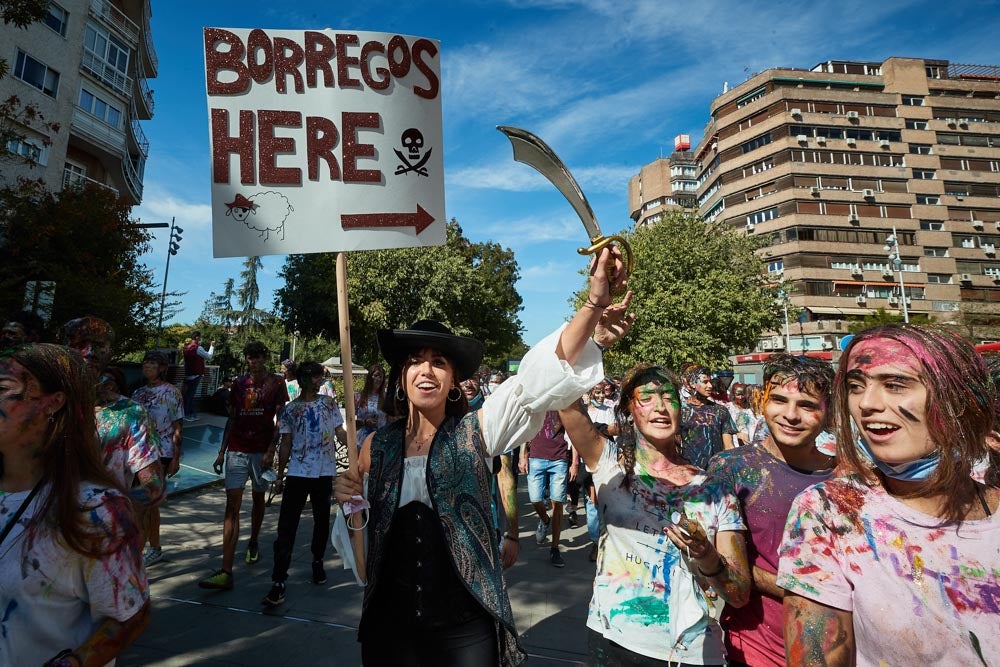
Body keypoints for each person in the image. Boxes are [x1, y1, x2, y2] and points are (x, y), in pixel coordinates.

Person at [334, 246, 628, 665]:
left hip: (464, 629)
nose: (426, 370)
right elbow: (360, 555)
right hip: (389, 628)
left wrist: (594, 302)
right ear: (403, 377)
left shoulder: (479, 430)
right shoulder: (374, 446)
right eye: (415, 361)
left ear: (454, 379)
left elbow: (536, 380)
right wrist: (347, 500)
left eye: (438, 362)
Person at [778, 324, 1000, 666]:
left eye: (895, 385)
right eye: (855, 386)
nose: (867, 403)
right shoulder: (830, 513)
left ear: (959, 398)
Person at [559, 355, 751, 663]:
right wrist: (596, 340)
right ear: (629, 410)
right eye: (646, 398)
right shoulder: (609, 466)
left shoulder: (714, 490)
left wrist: (706, 554)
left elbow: (739, 594)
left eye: (668, 398)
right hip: (612, 641)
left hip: (690, 652)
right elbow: (562, 392)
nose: (660, 407)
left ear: (680, 409)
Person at [0, 344, 149, 665]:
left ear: (53, 403)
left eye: (3, 390)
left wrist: (75, 662)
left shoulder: (96, 510)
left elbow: (130, 615)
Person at [706, 355, 836, 667]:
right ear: (764, 401)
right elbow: (725, 567)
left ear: (828, 411)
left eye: (806, 405)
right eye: (779, 400)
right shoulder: (731, 468)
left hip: (834, 650)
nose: (790, 415)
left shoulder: (847, 479)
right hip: (754, 649)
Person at [200, 340, 289, 591]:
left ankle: (253, 540)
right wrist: (221, 451)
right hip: (237, 449)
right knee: (232, 506)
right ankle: (226, 569)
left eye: (258, 356)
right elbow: (232, 417)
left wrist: (272, 449)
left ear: (265, 358)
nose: (254, 361)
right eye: (250, 357)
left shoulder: (276, 383)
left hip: (261, 450)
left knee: (258, 498)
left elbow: (281, 419)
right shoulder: (239, 384)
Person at [262, 361, 348, 607]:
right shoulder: (291, 410)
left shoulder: (328, 404)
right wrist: (280, 475)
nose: (320, 380)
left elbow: (339, 432)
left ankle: (317, 561)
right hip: (298, 472)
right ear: (304, 379)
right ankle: (279, 579)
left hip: (323, 471)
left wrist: (357, 446)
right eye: (316, 376)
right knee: (286, 526)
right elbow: (286, 442)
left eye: (320, 376)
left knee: (321, 521)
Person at [60, 316, 165, 510]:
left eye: (99, 345)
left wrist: (109, 510)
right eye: (80, 344)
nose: (89, 352)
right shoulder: (40, 406)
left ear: (110, 352)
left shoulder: (130, 414)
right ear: (63, 349)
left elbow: (155, 486)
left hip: (98, 534)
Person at [132, 351, 185, 566]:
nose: (148, 366)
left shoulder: (171, 392)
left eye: (152, 363)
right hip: (138, 453)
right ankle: (139, 544)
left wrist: (175, 457)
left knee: (149, 503)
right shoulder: (137, 393)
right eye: (146, 362)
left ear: (162, 368)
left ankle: (153, 547)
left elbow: (177, 427)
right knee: (138, 503)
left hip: (161, 452)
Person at [519, 411, 576, 567]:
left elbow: (573, 432)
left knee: (557, 503)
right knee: (535, 499)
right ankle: (545, 520)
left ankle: (555, 549)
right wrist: (522, 456)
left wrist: (575, 462)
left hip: (559, 459)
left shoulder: (565, 404)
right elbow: (526, 428)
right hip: (536, 457)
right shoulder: (539, 402)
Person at [680, 366, 737, 468]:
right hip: (688, 472)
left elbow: (729, 446)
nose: (710, 385)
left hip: (716, 472)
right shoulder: (681, 412)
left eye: (710, 382)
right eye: (705, 382)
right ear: (692, 384)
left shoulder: (720, 411)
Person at [183, 330, 215, 422]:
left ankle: (190, 413)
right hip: (196, 374)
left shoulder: (186, 348)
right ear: (197, 337)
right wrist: (212, 346)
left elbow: (186, 362)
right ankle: (188, 414)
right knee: (191, 395)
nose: (200, 339)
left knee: (188, 395)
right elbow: (209, 356)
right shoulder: (198, 348)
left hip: (188, 374)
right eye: (200, 337)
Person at [354, 364, 387, 447]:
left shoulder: (386, 398)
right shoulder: (358, 397)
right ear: (370, 377)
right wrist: (365, 422)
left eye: (381, 377)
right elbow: (351, 423)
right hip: (361, 442)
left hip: (380, 443)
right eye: (376, 375)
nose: (378, 379)